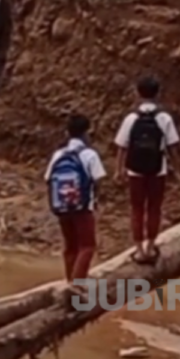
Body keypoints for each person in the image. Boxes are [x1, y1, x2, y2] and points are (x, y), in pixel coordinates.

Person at [114, 76, 180, 265]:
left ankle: (138, 251)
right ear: (158, 93)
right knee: (154, 208)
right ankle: (151, 247)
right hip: (157, 169)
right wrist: (177, 170)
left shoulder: (131, 118)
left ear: (138, 93)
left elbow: (122, 147)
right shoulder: (164, 118)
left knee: (137, 209)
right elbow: (172, 147)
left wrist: (119, 170)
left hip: (135, 170)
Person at [45, 114, 106, 294]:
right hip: (82, 207)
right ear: (87, 133)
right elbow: (98, 180)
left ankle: (69, 280)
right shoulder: (89, 155)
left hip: (62, 206)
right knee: (87, 246)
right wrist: (95, 200)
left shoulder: (58, 154)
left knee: (70, 246)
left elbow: (48, 179)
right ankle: (77, 284)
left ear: (67, 132)